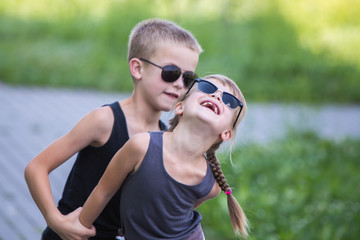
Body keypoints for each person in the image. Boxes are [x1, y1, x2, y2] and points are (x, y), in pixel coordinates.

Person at [24, 18, 202, 240]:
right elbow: (36, 167)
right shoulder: (104, 121)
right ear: (138, 68)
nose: (178, 84)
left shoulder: (166, 138)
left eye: (188, 78)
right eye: (171, 72)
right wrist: (55, 219)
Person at [79, 74, 249, 239]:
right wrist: (78, 230)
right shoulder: (141, 146)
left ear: (226, 133)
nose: (217, 95)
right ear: (180, 107)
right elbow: (103, 191)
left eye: (229, 101)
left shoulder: (210, 184)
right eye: (207, 87)